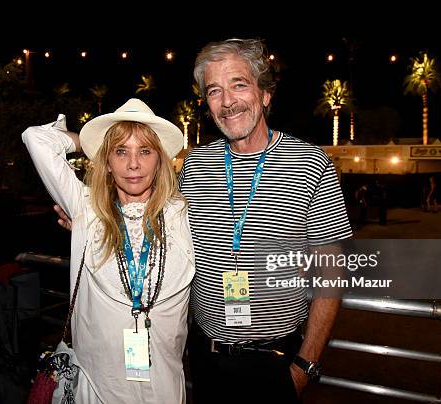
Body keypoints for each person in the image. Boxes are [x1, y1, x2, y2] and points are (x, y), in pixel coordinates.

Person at [55, 39, 352, 402]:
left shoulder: (312, 164)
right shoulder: (194, 166)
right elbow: (148, 217)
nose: (227, 101)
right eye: (215, 90)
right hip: (204, 360)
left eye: (239, 84)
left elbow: (332, 270)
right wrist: (90, 221)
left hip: (277, 362)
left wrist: (305, 366)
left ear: (265, 94)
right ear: (207, 103)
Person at [22, 98, 195, 403]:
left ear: (159, 158)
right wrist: (85, 141)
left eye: (144, 151)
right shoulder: (86, 209)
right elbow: (36, 138)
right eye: (120, 151)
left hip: (165, 385)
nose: (133, 164)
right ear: (106, 160)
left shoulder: (182, 213)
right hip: (98, 386)